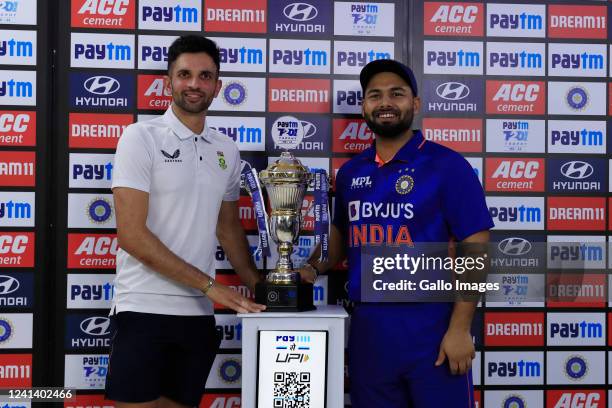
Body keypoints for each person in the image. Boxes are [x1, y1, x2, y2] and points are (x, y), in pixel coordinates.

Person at [300, 60, 494, 407]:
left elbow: (475, 247)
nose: (385, 102)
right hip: (369, 329)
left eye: (397, 94)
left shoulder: (448, 166)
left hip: (432, 327)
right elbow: (342, 236)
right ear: (364, 106)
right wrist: (309, 269)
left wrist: (460, 328)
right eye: (374, 95)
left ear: (415, 104)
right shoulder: (349, 174)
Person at [105, 35, 265, 408]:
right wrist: (211, 286)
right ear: (168, 82)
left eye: (205, 75)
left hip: (197, 315)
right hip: (143, 308)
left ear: (218, 86)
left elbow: (227, 227)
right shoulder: (139, 137)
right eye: (185, 74)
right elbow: (131, 235)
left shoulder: (226, 148)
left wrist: (258, 286)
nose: (194, 84)